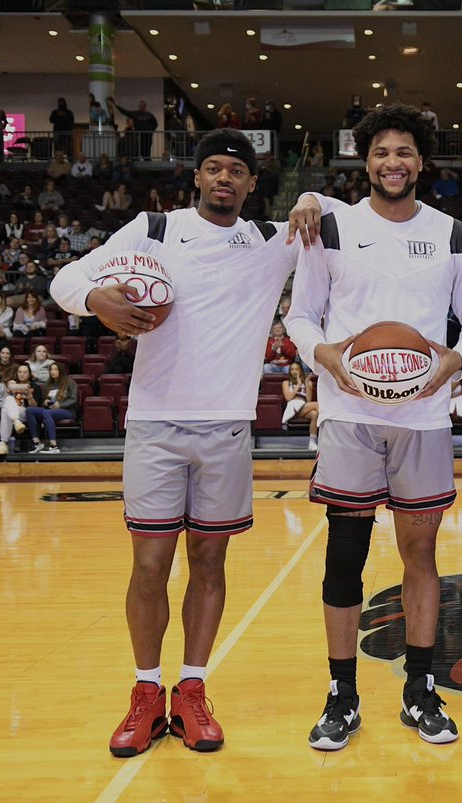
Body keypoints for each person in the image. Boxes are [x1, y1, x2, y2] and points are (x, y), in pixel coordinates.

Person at [50, 128, 303, 758]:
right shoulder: (152, 230)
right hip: (156, 425)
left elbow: (343, 222)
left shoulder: (272, 242)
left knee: (210, 564)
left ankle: (191, 691)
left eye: (235, 171)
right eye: (213, 168)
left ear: (251, 183)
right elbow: (65, 281)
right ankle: (144, 692)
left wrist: (318, 200)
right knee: (149, 565)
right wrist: (97, 301)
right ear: (197, 177)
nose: (224, 178)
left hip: (227, 427)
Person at [284, 104, 462, 751]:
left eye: (404, 152)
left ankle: (419, 688)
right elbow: (301, 316)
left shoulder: (455, 234)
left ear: (421, 162)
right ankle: (342, 693)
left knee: (420, 554)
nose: (393, 163)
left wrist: (457, 360)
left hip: (423, 416)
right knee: (344, 555)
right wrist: (323, 356)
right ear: (365, 160)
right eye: (381, 153)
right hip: (349, 415)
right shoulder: (333, 228)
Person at [0, 362, 41, 455]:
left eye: (25, 372)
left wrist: (29, 395)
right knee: (6, 404)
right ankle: (16, 422)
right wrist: (8, 391)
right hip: (14, 413)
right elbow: (4, 403)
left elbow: (35, 407)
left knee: (6, 409)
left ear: (29, 374)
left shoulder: (34, 386)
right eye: (20, 372)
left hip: (27, 413)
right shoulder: (13, 385)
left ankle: (3, 442)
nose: (22, 374)